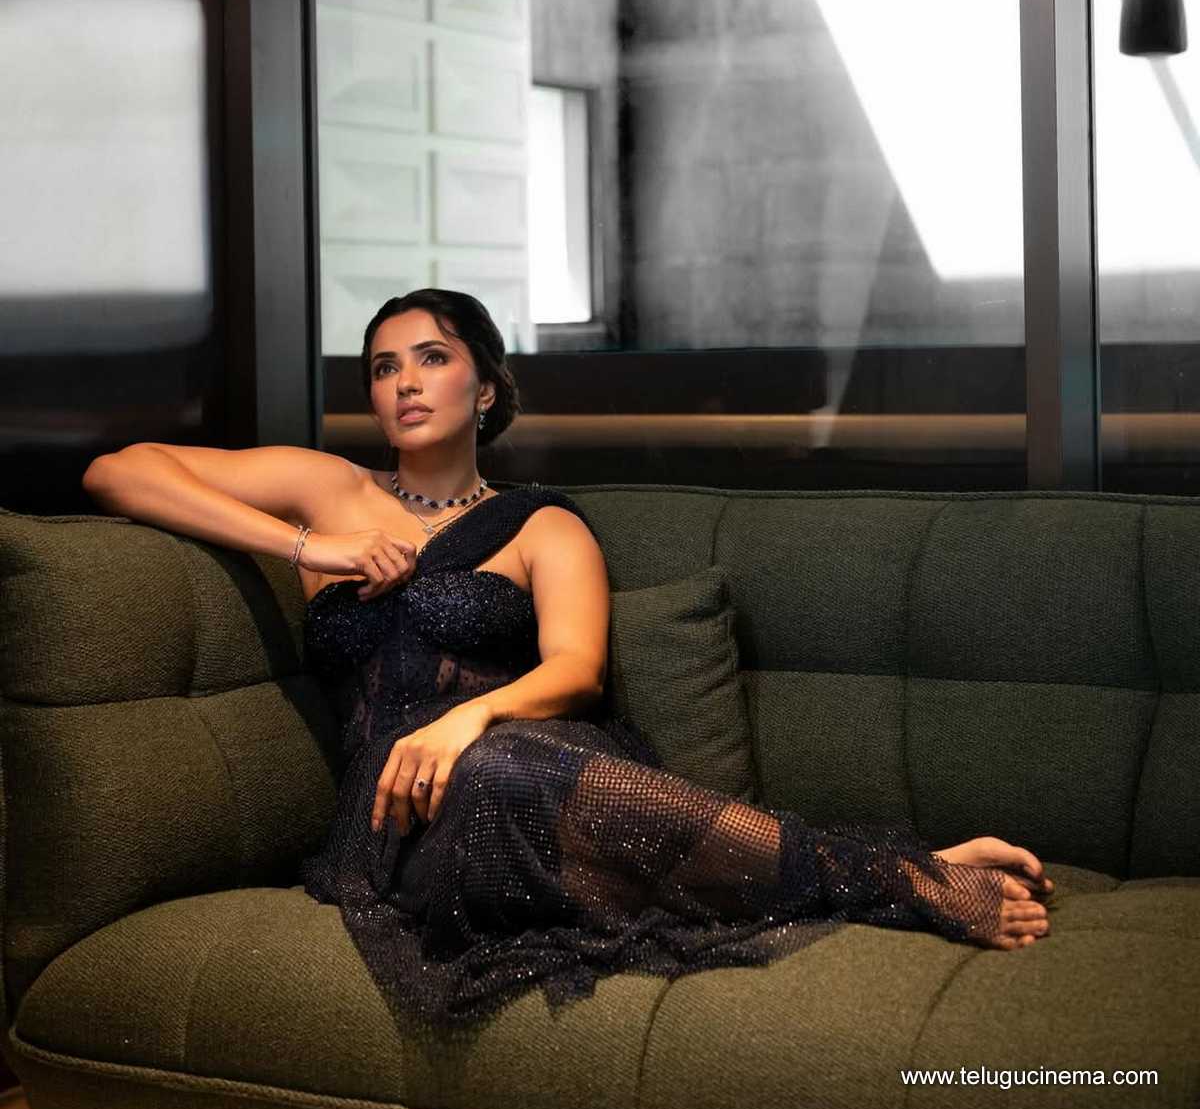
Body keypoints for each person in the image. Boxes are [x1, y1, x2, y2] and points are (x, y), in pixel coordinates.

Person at [83, 287, 1053, 1032]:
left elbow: (576, 669)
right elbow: (118, 471)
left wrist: (468, 717)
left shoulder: (543, 524)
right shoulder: (327, 489)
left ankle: (902, 876)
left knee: (497, 764)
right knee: (481, 776)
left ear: (485, 388)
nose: (405, 382)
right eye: (384, 367)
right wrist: (308, 548)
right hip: (391, 816)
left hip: (525, 761)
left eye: (432, 358)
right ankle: (906, 872)